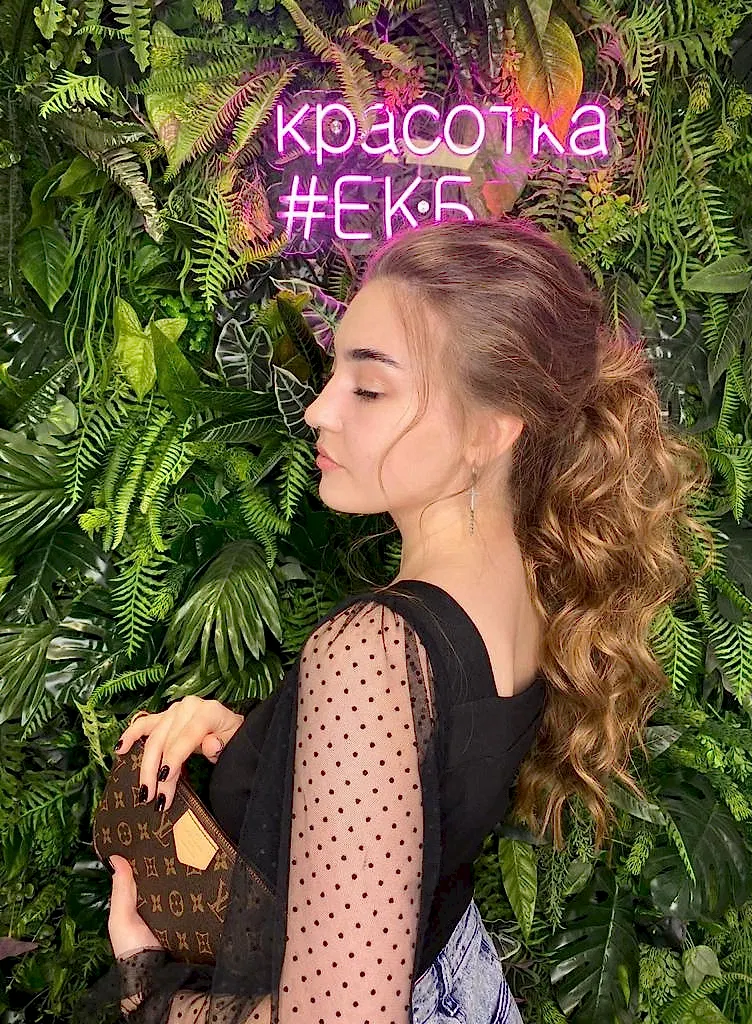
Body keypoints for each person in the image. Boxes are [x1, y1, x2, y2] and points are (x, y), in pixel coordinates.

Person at [91, 217, 715, 1024]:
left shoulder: (373, 652)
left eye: (370, 388)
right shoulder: (532, 584)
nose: (319, 412)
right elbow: (427, 781)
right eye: (334, 374)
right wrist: (258, 741)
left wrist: (147, 992)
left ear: (490, 431)